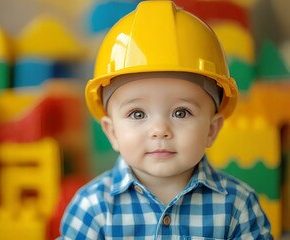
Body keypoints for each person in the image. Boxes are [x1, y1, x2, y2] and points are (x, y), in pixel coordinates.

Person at [59, 1, 272, 239]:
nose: (160, 130)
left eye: (181, 112)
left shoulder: (238, 206)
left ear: (212, 128)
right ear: (112, 132)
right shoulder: (92, 208)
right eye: (137, 114)